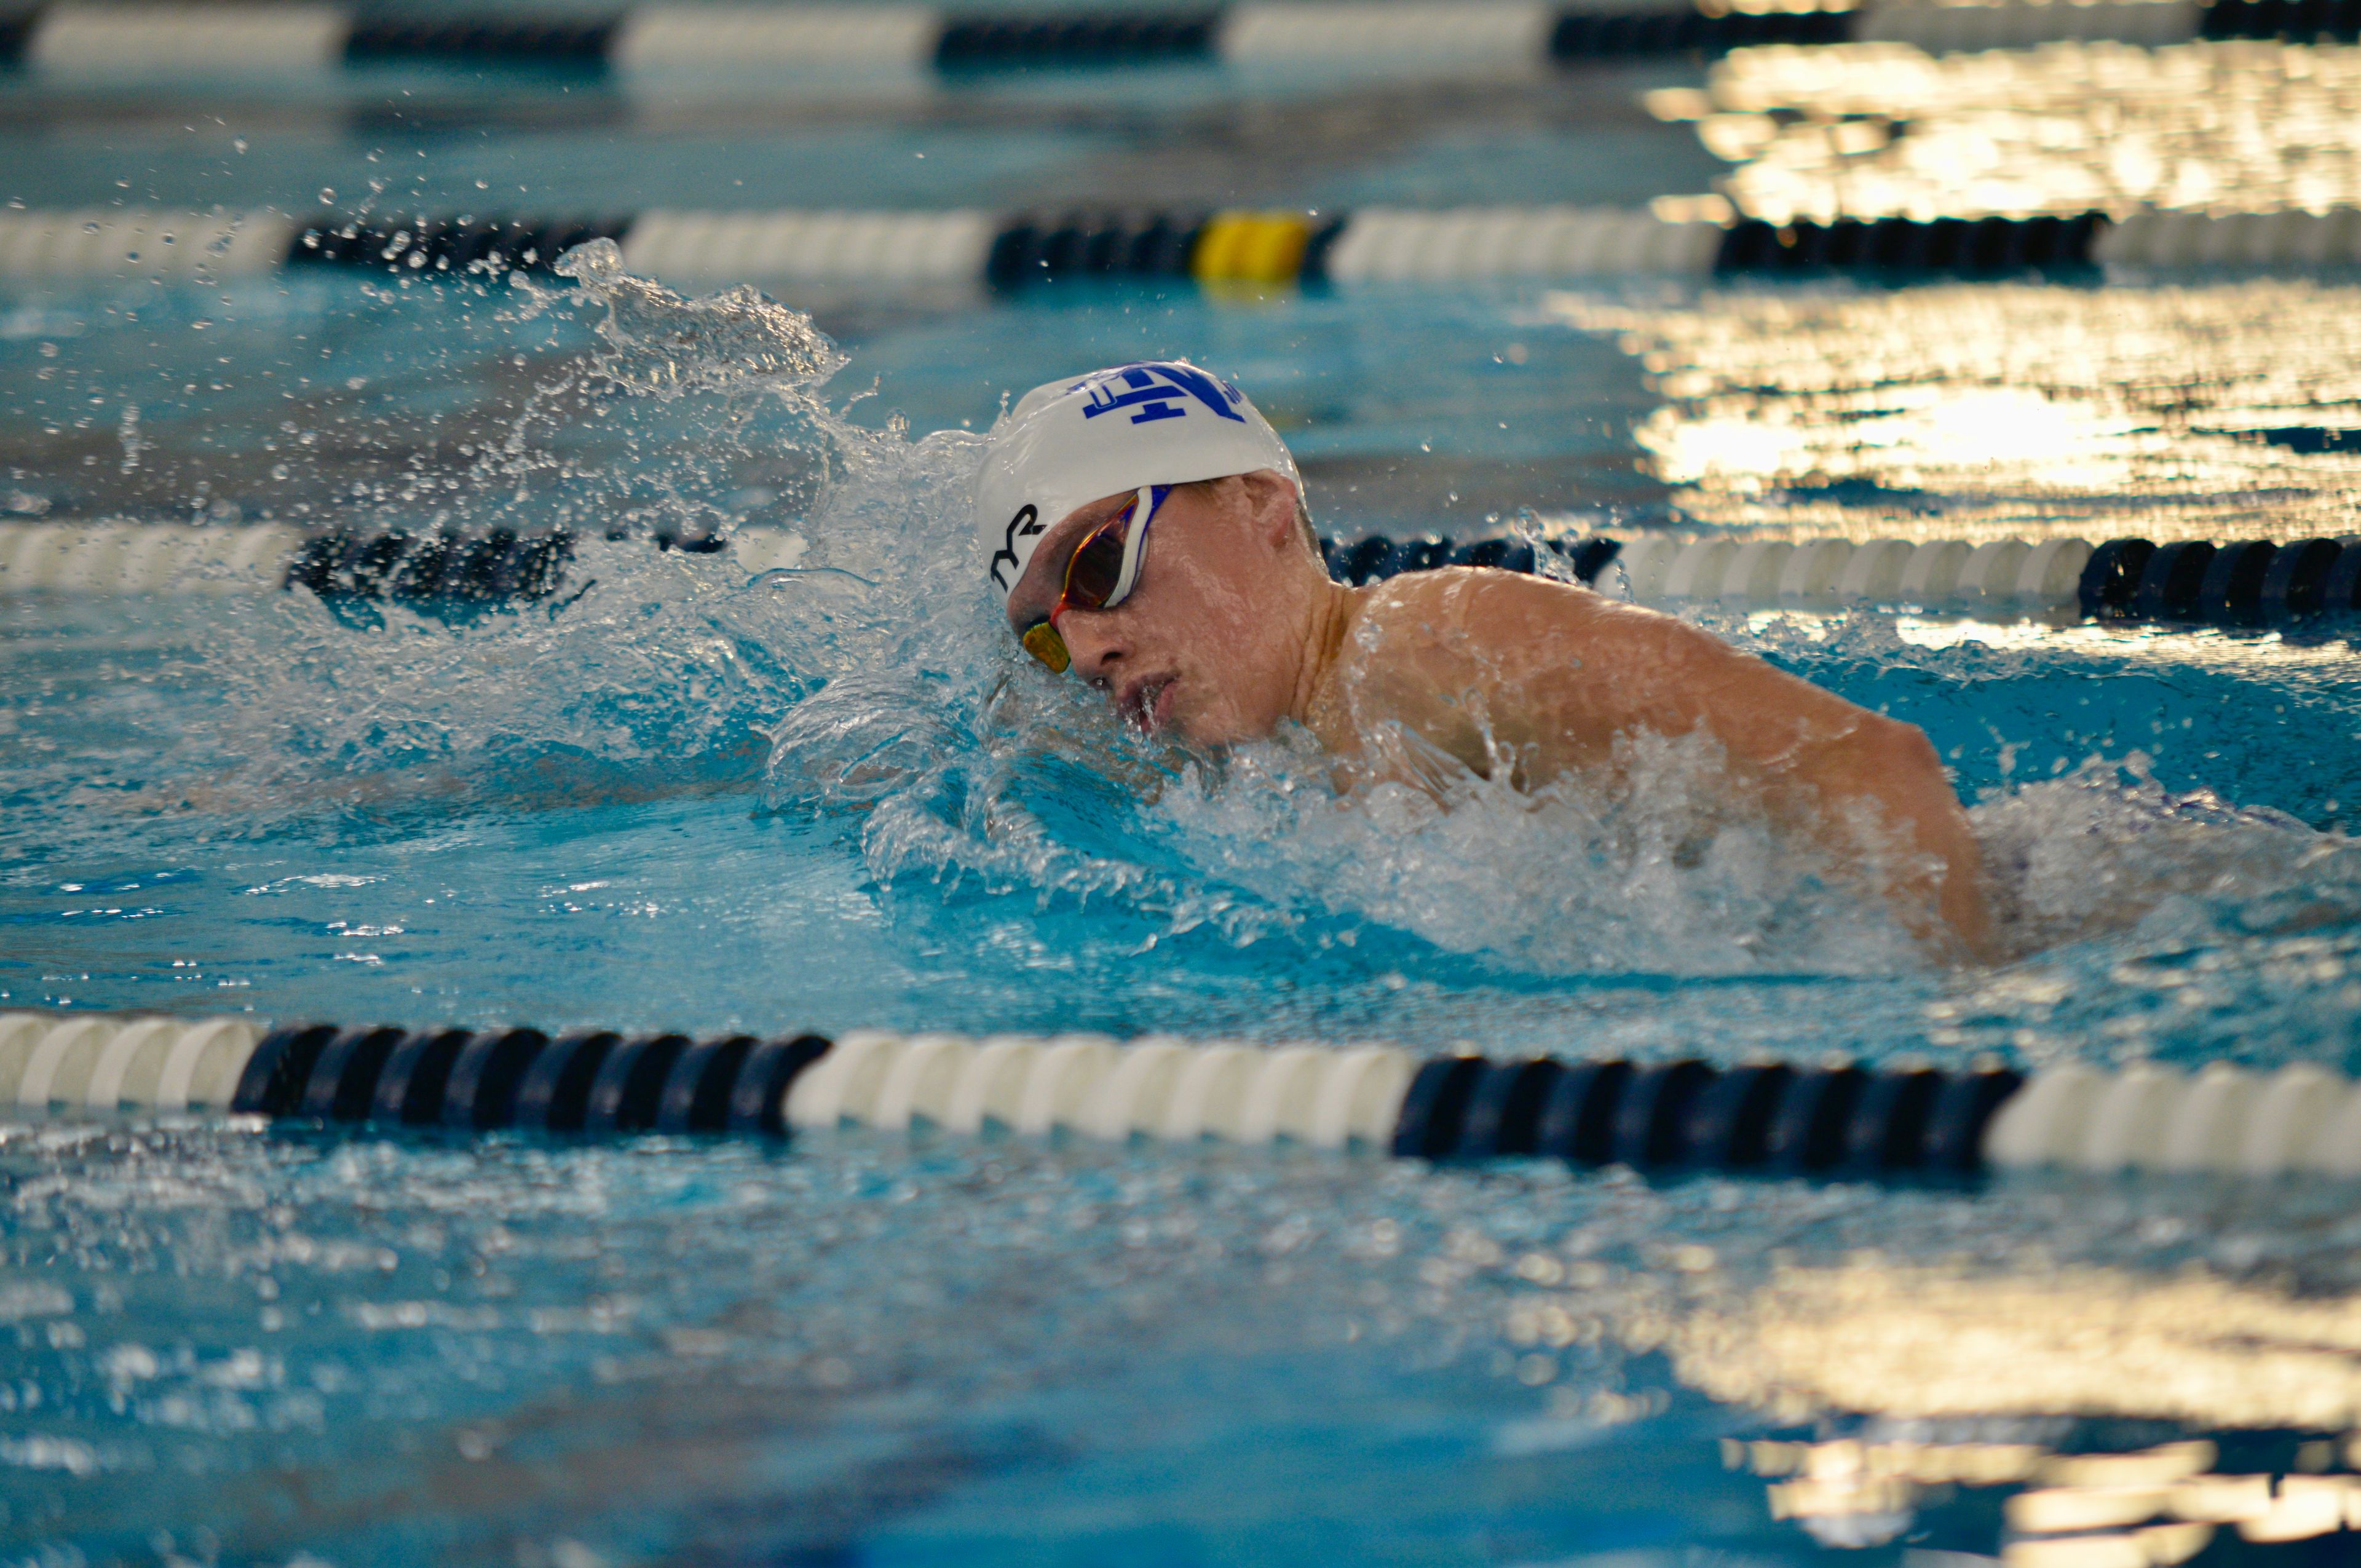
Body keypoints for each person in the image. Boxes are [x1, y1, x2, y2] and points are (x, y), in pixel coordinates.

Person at [975, 360, 1994, 960]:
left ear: (1260, 503)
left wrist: (1976, 1018)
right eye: (1044, 636)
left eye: (1102, 563)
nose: (1091, 646)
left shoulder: (1430, 643)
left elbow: (1876, 771)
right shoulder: (1264, 762)